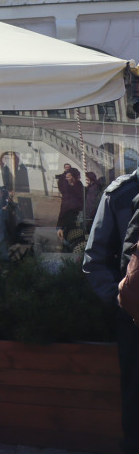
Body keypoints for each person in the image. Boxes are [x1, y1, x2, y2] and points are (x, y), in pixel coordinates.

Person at [83, 168, 139, 454]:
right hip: (133, 318)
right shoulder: (120, 194)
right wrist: (121, 302)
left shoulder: (119, 192)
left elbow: (93, 259)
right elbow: (94, 259)